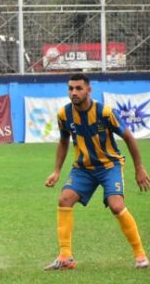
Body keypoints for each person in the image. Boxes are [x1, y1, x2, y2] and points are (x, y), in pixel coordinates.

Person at [44, 73, 150, 270]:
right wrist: (56, 171)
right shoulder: (64, 114)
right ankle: (65, 257)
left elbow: (129, 138)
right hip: (83, 168)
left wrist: (139, 168)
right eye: (71, 88)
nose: (74, 92)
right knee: (64, 199)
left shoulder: (105, 113)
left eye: (79, 88)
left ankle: (140, 255)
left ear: (89, 90)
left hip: (109, 166)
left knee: (116, 205)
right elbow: (63, 141)